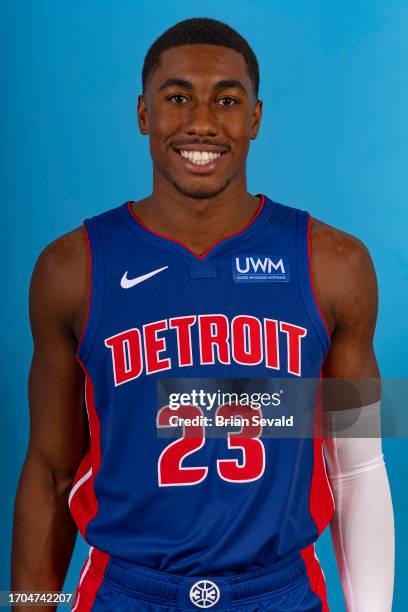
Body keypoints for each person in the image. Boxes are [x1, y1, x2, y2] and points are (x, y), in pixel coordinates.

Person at [12, 17, 394, 612]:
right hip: (127, 589)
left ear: (256, 119)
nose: (202, 122)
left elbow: (359, 465)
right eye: (178, 97)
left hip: (279, 590)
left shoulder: (335, 263)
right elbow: (48, 471)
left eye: (227, 100)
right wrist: (27, 606)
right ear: (143, 114)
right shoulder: (70, 269)